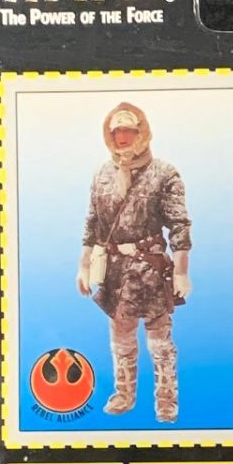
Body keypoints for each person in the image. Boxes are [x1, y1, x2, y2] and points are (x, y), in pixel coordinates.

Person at [76, 102, 191, 422]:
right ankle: (124, 394)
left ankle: (166, 401)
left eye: (128, 130)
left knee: (159, 343)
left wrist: (182, 271)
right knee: (121, 340)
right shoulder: (102, 175)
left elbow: (179, 225)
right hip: (115, 273)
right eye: (116, 131)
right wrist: (84, 265)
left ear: (142, 133)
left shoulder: (164, 173)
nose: (122, 137)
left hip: (151, 269)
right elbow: (92, 224)